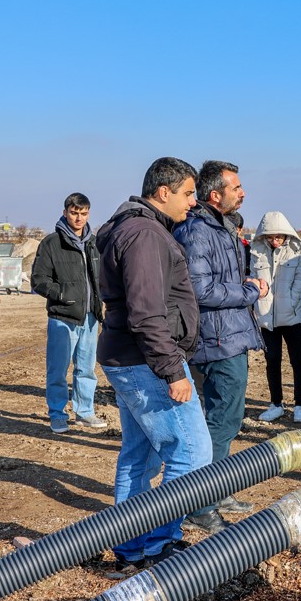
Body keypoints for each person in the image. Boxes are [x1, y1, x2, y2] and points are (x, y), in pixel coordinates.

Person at [94, 157, 208, 569]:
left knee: (138, 456)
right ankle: (161, 544)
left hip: (128, 356)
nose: (193, 202)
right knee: (191, 454)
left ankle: (129, 548)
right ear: (163, 192)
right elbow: (146, 312)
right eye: (188, 193)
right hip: (148, 361)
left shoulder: (133, 228)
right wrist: (173, 370)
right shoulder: (144, 234)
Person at [173, 160, 265, 533]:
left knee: (228, 419)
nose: (243, 192)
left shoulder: (222, 228)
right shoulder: (198, 232)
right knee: (220, 422)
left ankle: (218, 488)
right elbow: (200, 289)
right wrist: (248, 291)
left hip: (228, 336)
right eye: (237, 187)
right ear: (216, 195)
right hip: (216, 340)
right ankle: (201, 503)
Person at [31, 192, 106, 434]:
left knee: (86, 369)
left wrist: (101, 302)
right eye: (74, 213)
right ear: (65, 212)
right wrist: (63, 294)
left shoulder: (94, 244)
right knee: (58, 370)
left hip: (90, 317)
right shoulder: (52, 244)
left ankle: (85, 413)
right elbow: (38, 281)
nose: (79, 218)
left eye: (84, 214)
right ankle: (57, 414)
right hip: (63, 318)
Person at [251, 211, 301, 424]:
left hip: (293, 317)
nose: (274, 241)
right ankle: (276, 403)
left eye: (278, 236)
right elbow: (252, 279)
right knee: (272, 360)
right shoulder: (256, 251)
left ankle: (300, 404)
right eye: (270, 236)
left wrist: (290, 302)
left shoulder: (298, 250)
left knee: (297, 360)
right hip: (267, 319)